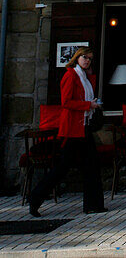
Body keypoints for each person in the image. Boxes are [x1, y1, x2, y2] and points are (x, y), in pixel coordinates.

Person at [29, 47, 106, 217]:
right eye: (84, 57)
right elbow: (66, 102)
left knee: (91, 165)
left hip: (83, 127)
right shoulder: (71, 75)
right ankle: (35, 198)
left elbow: (84, 95)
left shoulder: (84, 77)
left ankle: (94, 205)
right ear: (77, 58)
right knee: (63, 167)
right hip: (73, 129)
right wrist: (88, 105)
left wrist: (90, 102)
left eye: (90, 59)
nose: (87, 61)